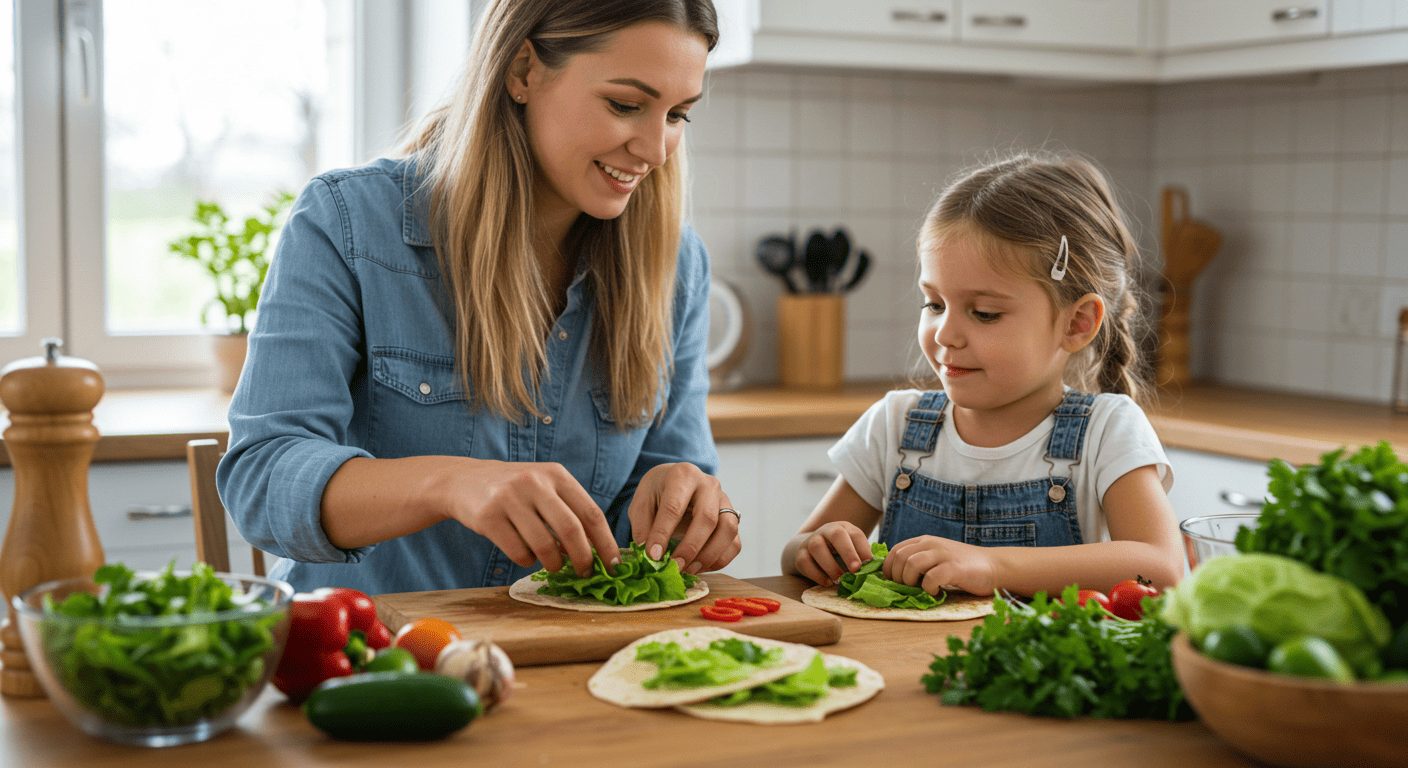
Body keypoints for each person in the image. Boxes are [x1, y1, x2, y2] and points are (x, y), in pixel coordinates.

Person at [218, 0, 740, 596]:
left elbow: (663, 486)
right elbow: (261, 480)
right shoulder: (349, 222)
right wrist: (447, 484)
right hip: (371, 642)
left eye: (678, 115)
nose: (655, 150)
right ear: (522, 71)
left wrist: (684, 504)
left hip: (567, 648)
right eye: (625, 105)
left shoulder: (676, 265)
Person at [780, 153, 1183, 598]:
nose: (945, 334)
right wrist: (816, 548)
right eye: (934, 304)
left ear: (1076, 323)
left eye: (985, 313)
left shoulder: (1106, 431)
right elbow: (796, 551)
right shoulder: (894, 425)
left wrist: (992, 566)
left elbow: (1161, 569)